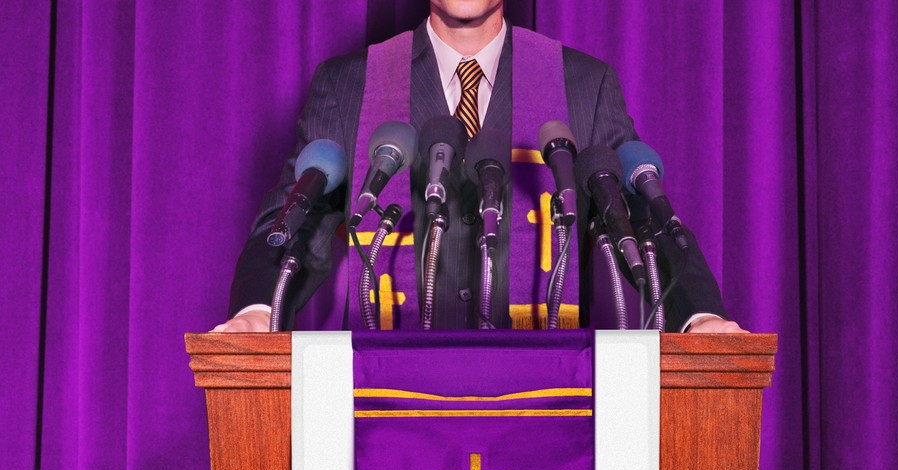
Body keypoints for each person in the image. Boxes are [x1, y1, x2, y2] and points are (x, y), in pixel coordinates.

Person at [214, 0, 746, 334]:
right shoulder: (350, 83)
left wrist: (698, 316)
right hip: (385, 405)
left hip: (542, 410)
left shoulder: (582, 85)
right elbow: (295, 220)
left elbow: (640, 222)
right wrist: (257, 309)